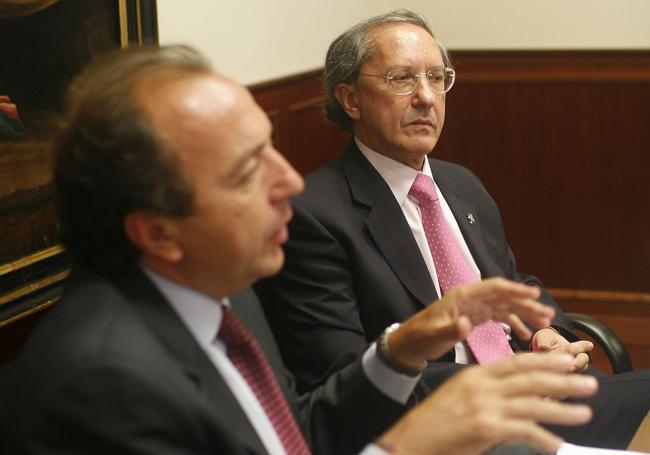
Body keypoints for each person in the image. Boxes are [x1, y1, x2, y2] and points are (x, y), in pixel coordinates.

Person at [0, 45, 599, 455]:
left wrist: (399, 349)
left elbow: (294, 433)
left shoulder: (223, 289)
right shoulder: (104, 387)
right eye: (245, 172)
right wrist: (405, 445)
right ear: (157, 232)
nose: (288, 182)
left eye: (271, 148)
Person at [254, 9, 650, 449]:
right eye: (401, 79)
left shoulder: (460, 182)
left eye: (437, 77)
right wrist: (504, 381)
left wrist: (547, 334)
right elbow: (344, 377)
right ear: (350, 99)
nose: (426, 96)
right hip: (450, 428)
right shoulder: (313, 214)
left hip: (535, 396)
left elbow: (514, 284)